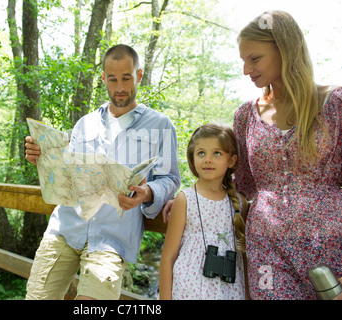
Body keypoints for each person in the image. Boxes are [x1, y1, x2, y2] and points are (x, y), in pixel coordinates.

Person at [24, 44, 181, 300]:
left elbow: (171, 179)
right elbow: (65, 171)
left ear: (139, 76)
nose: (119, 87)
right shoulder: (85, 123)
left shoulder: (161, 125)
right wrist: (42, 158)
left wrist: (148, 192)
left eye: (126, 78)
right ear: (103, 79)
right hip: (65, 227)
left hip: (112, 239)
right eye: (113, 79)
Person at [235, 10, 342, 299]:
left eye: (254, 58)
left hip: (332, 251)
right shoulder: (246, 115)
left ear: (285, 50)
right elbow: (241, 185)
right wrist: (190, 201)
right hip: (267, 252)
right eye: (243, 60)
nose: (246, 69)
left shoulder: (335, 105)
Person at [159, 123, 248, 300]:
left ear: (231, 160)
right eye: (201, 153)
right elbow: (168, 258)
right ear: (192, 159)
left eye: (217, 153)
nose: (208, 159)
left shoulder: (239, 203)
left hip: (229, 291)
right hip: (188, 290)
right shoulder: (185, 199)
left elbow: (244, 257)